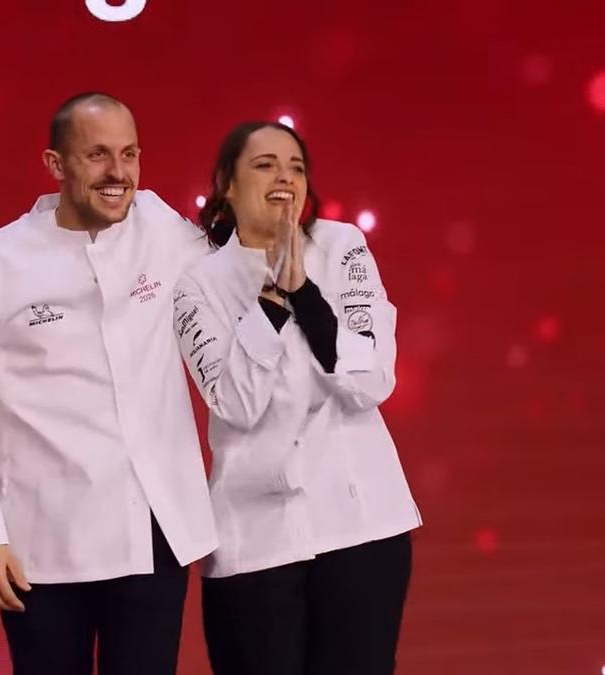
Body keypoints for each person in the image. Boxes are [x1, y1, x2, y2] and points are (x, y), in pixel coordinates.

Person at [0, 92, 216, 675]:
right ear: (55, 164)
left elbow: (233, 271)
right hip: (39, 547)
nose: (118, 173)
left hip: (156, 533)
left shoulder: (161, 227)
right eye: (98, 155)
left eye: (129, 154)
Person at [172, 121, 422, 675]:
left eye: (296, 166)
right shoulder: (197, 285)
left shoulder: (342, 246)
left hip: (362, 528)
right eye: (264, 165)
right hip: (253, 540)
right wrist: (271, 302)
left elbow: (369, 381)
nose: (284, 176)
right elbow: (235, 403)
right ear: (227, 185)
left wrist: (305, 293)